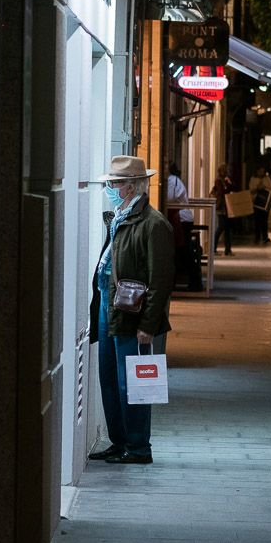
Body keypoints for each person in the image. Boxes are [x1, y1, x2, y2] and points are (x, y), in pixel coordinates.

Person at [88, 156, 174, 465]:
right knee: (109, 378)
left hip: (132, 312)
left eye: (114, 183)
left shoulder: (153, 225)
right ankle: (119, 441)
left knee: (133, 383)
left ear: (131, 186)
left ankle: (138, 447)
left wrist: (148, 324)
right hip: (109, 307)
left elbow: (161, 281)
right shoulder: (120, 218)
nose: (110, 188)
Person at [166, 162, 202, 291]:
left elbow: (169, 198)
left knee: (183, 251)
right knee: (180, 252)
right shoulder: (173, 180)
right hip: (178, 219)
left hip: (181, 219)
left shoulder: (172, 180)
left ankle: (194, 281)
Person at [209, 163, 235, 256]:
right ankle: (213, 248)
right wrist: (228, 185)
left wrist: (228, 184)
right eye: (224, 170)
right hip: (221, 207)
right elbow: (222, 192)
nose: (226, 171)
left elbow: (230, 188)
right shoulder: (219, 180)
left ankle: (228, 249)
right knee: (221, 227)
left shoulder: (225, 180)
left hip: (226, 207)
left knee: (227, 228)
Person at [247, 165, 271, 244]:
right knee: (257, 221)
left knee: (264, 221)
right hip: (256, 203)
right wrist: (257, 187)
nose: (261, 173)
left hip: (265, 203)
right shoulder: (253, 179)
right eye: (260, 171)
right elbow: (251, 189)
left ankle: (265, 237)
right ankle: (257, 237)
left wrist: (264, 187)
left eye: (263, 171)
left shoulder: (267, 179)